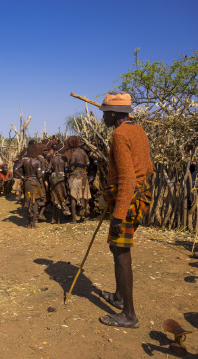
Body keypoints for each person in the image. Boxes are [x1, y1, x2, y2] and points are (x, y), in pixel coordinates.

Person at [98, 91, 153, 329]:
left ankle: (129, 315)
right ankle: (119, 298)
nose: (102, 118)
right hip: (137, 196)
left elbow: (128, 178)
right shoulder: (138, 130)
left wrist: (118, 213)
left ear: (113, 113)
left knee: (121, 253)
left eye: (104, 114)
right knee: (116, 247)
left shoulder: (120, 135)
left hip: (127, 201)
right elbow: (148, 168)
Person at [16, 144, 45, 228]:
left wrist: (22, 177)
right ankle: (33, 224)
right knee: (35, 202)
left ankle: (28, 224)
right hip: (35, 182)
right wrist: (43, 171)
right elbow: (39, 176)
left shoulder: (24, 161)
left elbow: (16, 169)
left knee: (28, 202)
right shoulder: (37, 162)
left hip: (27, 182)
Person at [67, 136, 91, 223]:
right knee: (83, 195)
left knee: (73, 196)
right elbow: (88, 162)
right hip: (84, 175)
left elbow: (72, 166)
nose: (69, 145)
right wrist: (84, 169)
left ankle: (73, 219)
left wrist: (69, 168)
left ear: (73, 143)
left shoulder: (74, 154)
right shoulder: (83, 152)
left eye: (70, 143)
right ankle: (83, 217)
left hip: (76, 175)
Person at [47, 143, 70, 224]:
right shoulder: (64, 158)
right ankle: (59, 220)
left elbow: (48, 169)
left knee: (55, 198)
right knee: (61, 197)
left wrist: (52, 172)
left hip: (53, 179)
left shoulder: (52, 159)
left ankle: (53, 218)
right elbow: (67, 169)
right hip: (61, 179)